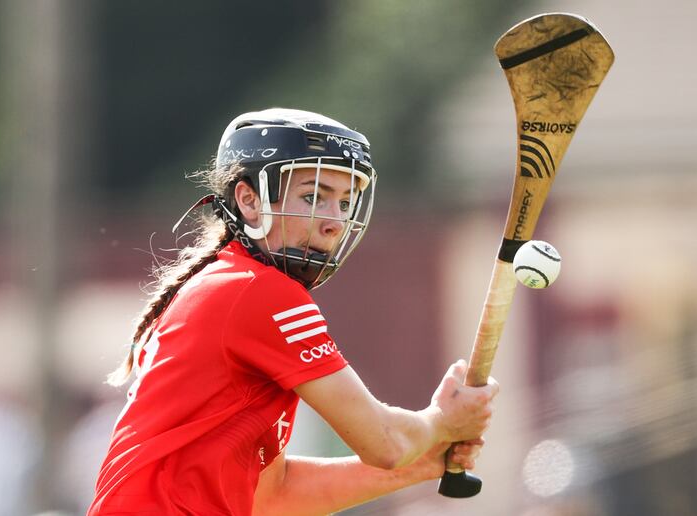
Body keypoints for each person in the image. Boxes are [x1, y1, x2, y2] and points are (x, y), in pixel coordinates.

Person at [88, 108, 498, 515]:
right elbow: (385, 443)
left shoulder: (232, 283)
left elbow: (271, 498)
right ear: (249, 199)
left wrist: (420, 464)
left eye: (345, 201)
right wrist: (442, 421)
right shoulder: (259, 293)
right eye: (313, 196)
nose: (335, 221)